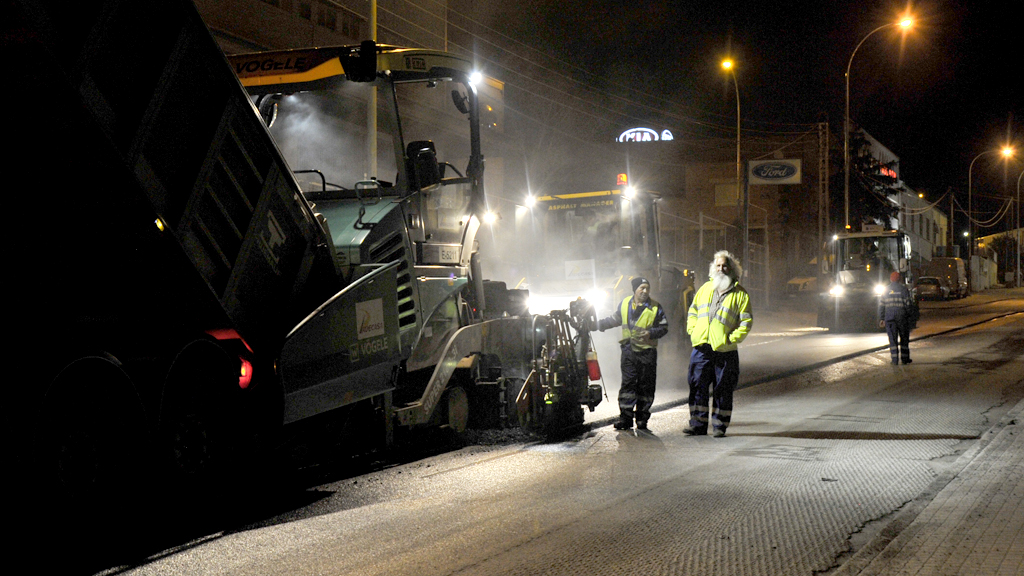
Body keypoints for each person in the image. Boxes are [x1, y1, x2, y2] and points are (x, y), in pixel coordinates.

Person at [684, 250, 753, 438]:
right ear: (713, 268)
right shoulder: (705, 289)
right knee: (697, 385)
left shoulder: (740, 294)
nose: (721, 269)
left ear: (731, 269)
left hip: (725, 350)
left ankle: (719, 426)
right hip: (701, 348)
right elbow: (692, 312)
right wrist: (693, 330)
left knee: (723, 389)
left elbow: (746, 322)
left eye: (725, 266)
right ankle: (697, 424)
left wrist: (731, 339)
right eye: (718, 265)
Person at [597, 276, 668, 430]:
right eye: (641, 288)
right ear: (634, 289)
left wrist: (650, 333)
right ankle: (626, 419)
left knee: (645, 386)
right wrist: (598, 325)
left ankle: (642, 419)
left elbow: (664, 327)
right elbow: (615, 319)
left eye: (647, 288)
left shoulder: (656, 307)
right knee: (628, 385)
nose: (645, 291)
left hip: (647, 352)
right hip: (629, 351)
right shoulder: (624, 304)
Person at [879, 271, 913, 365]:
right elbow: (908, 304)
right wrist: (910, 316)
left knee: (892, 340)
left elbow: (881, 305)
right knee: (904, 338)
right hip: (902, 318)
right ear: (899, 279)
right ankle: (905, 359)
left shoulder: (885, 290)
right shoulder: (903, 289)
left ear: (890, 279)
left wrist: (882, 318)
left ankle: (894, 360)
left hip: (889, 318)